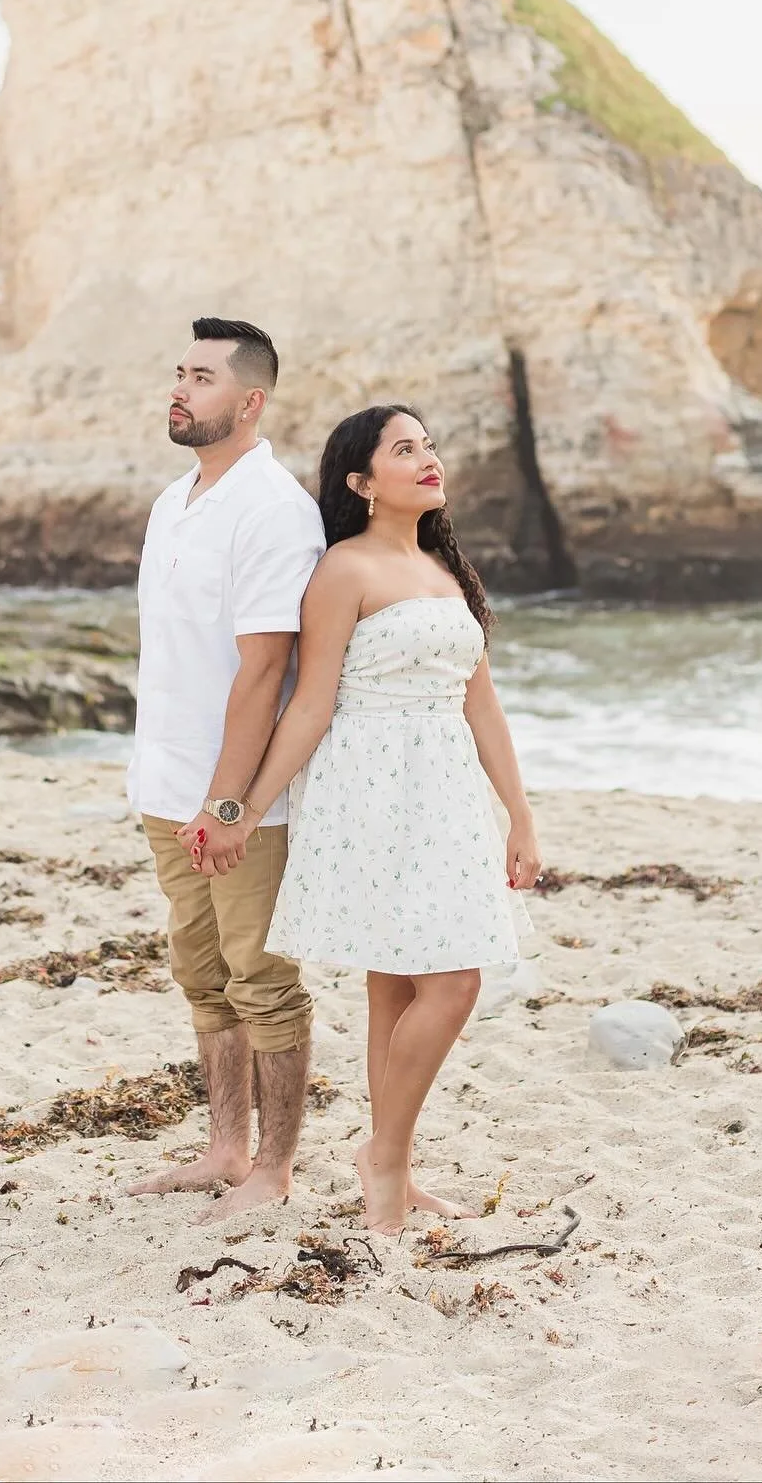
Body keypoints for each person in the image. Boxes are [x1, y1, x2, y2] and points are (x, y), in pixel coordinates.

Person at [198, 403, 542, 1235]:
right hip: (370, 790)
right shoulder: (344, 570)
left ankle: (390, 1157)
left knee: (406, 979)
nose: (429, 459)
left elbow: (481, 702)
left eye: (430, 443)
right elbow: (310, 705)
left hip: (447, 789)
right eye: (405, 449)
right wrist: (243, 805)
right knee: (450, 979)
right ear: (361, 481)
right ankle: (384, 1160)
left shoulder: (447, 570)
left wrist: (520, 815)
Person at [125, 317, 325, 1220]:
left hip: (240, 798)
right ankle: (225, 1148)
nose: (180, 388)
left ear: (250, 401)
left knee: (261, 978)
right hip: (164, 785)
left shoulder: (274, 508)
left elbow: (265, 669)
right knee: (201, 972)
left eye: (201, 377)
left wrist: (232, 801)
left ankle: (276, 1167)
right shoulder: (176, 501)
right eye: (178, 372)